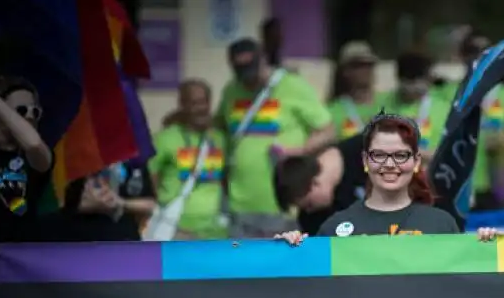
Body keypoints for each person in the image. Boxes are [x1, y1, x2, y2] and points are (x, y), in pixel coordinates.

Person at [274, 112, 496, 242]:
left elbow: (460, 282)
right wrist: (289, 252)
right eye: (379, 156)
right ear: (365, 161)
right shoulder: (331, 227)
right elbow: (310, 286)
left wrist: (485, 249)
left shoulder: (441, 223)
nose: (389, 165)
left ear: (416, 161)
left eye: (400, 156)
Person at [216, 38, 334, 238]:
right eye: (242, 73)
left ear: (263, 60)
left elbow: (328, 131)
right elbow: (220, 128)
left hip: (282, 203)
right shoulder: (231, 90)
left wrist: (299, 152)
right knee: (243, 267)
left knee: (281, 268)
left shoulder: (292, 86)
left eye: (253, 72)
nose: (249, 80)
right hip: (239, 205)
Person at [444, 31, 504, 211]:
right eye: (474, 51)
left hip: (496, 183)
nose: (481, 56)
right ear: (462, 56)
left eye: (487, 51)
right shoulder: (448, 94)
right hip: (460, 183)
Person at [149, 79, 227, 240]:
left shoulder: (219, 138)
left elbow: (226, 179)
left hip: (216, 231)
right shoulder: (165, 138)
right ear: (182, 105)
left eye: (204, 102)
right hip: (177, 229)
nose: (201, 108)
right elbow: (151, 179)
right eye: (194, 103)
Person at [0, 76, 52, 242]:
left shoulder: (36, 156)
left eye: (35, 111)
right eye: (21, 111)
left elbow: (33, 144)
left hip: (17, 257)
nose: (30, 116)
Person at [274, 133, 365, 236]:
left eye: (310, 204)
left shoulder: (367, 149)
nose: (308, 211)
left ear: (315, 183)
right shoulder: (312, 220)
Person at [51, 159, 156, 241]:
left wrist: (120, 203)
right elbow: (55, 205)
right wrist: (83, 205)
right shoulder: (76, 151)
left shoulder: (134, 160)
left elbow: (151, 205)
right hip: (79, 240)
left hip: (123, 241)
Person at [379, 51, 451, 166]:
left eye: (418, 79)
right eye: (408, 79)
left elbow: (448, 154)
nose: (413, 86)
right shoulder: (384, 105)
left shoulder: (443, 108)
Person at [329, 41, 383, 140]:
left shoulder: (390, 101)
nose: (366, 70)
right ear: (345, 71)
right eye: (359, 66)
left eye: (369, 65)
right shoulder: (333, 111)